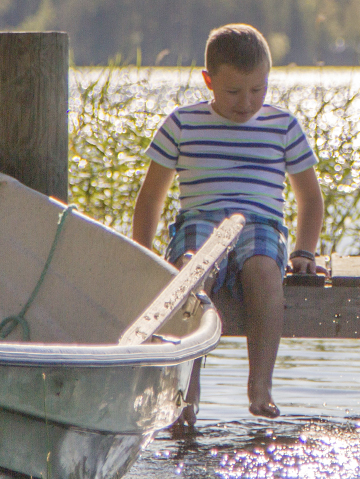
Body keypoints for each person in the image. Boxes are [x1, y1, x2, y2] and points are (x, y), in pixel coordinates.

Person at [131, 23, 324, 422]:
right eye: (234, 91)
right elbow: (151, 197)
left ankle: (260, 384)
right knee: (193, 272)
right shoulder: (182, 124)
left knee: (264, 270)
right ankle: (187, 390)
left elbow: (310, 197)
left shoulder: (282, 127)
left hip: (261, 224)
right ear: (208, 81)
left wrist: (305, 251)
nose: (247, 101)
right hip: (199, 221)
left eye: (258, 89)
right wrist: (140, 251)